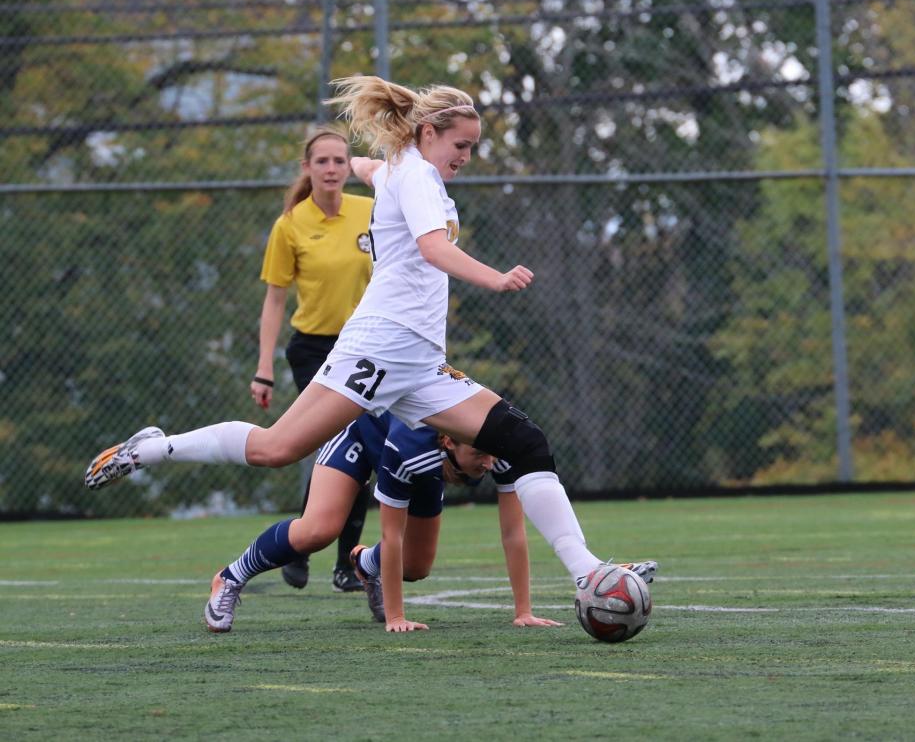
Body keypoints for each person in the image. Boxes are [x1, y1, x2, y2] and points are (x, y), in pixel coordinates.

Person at [85, 75, 658, 633]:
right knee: (276, 448)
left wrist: (362, 165)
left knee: (523, 442)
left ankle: (587, 572)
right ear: (430, 132)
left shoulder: (399, 168)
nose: (466, 156)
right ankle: (154, 448)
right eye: (461, 145)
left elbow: (368, 167)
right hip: (380, 347)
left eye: (472, 148)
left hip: (419, 363)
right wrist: (495, 278)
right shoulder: (418, 179)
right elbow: (433, 248)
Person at [202, 410, 566, 632]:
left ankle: (364, 564)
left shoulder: (501, 448)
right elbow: (391, 533)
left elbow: (513, 531)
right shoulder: (411, 450)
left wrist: (524, 612)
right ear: (447, 442)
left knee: (417, 566)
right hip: (364, 433)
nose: (486, 464)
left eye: (490, 454)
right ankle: (230, 576)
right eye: (477, 454)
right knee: (318, 530)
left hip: (422, 453)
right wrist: (396, 616)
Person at [252, 125, 373, 593]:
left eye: (339, 161)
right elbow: (275, 301)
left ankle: (347, 566)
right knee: (343, 441)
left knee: (361, 448)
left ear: (349, 167)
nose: (330, 169)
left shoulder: (369, 211)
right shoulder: (291, 225)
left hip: (365, 346)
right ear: (307, 168)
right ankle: (303, 545)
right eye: (321, 161)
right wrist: (263, 369)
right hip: (315, 351)